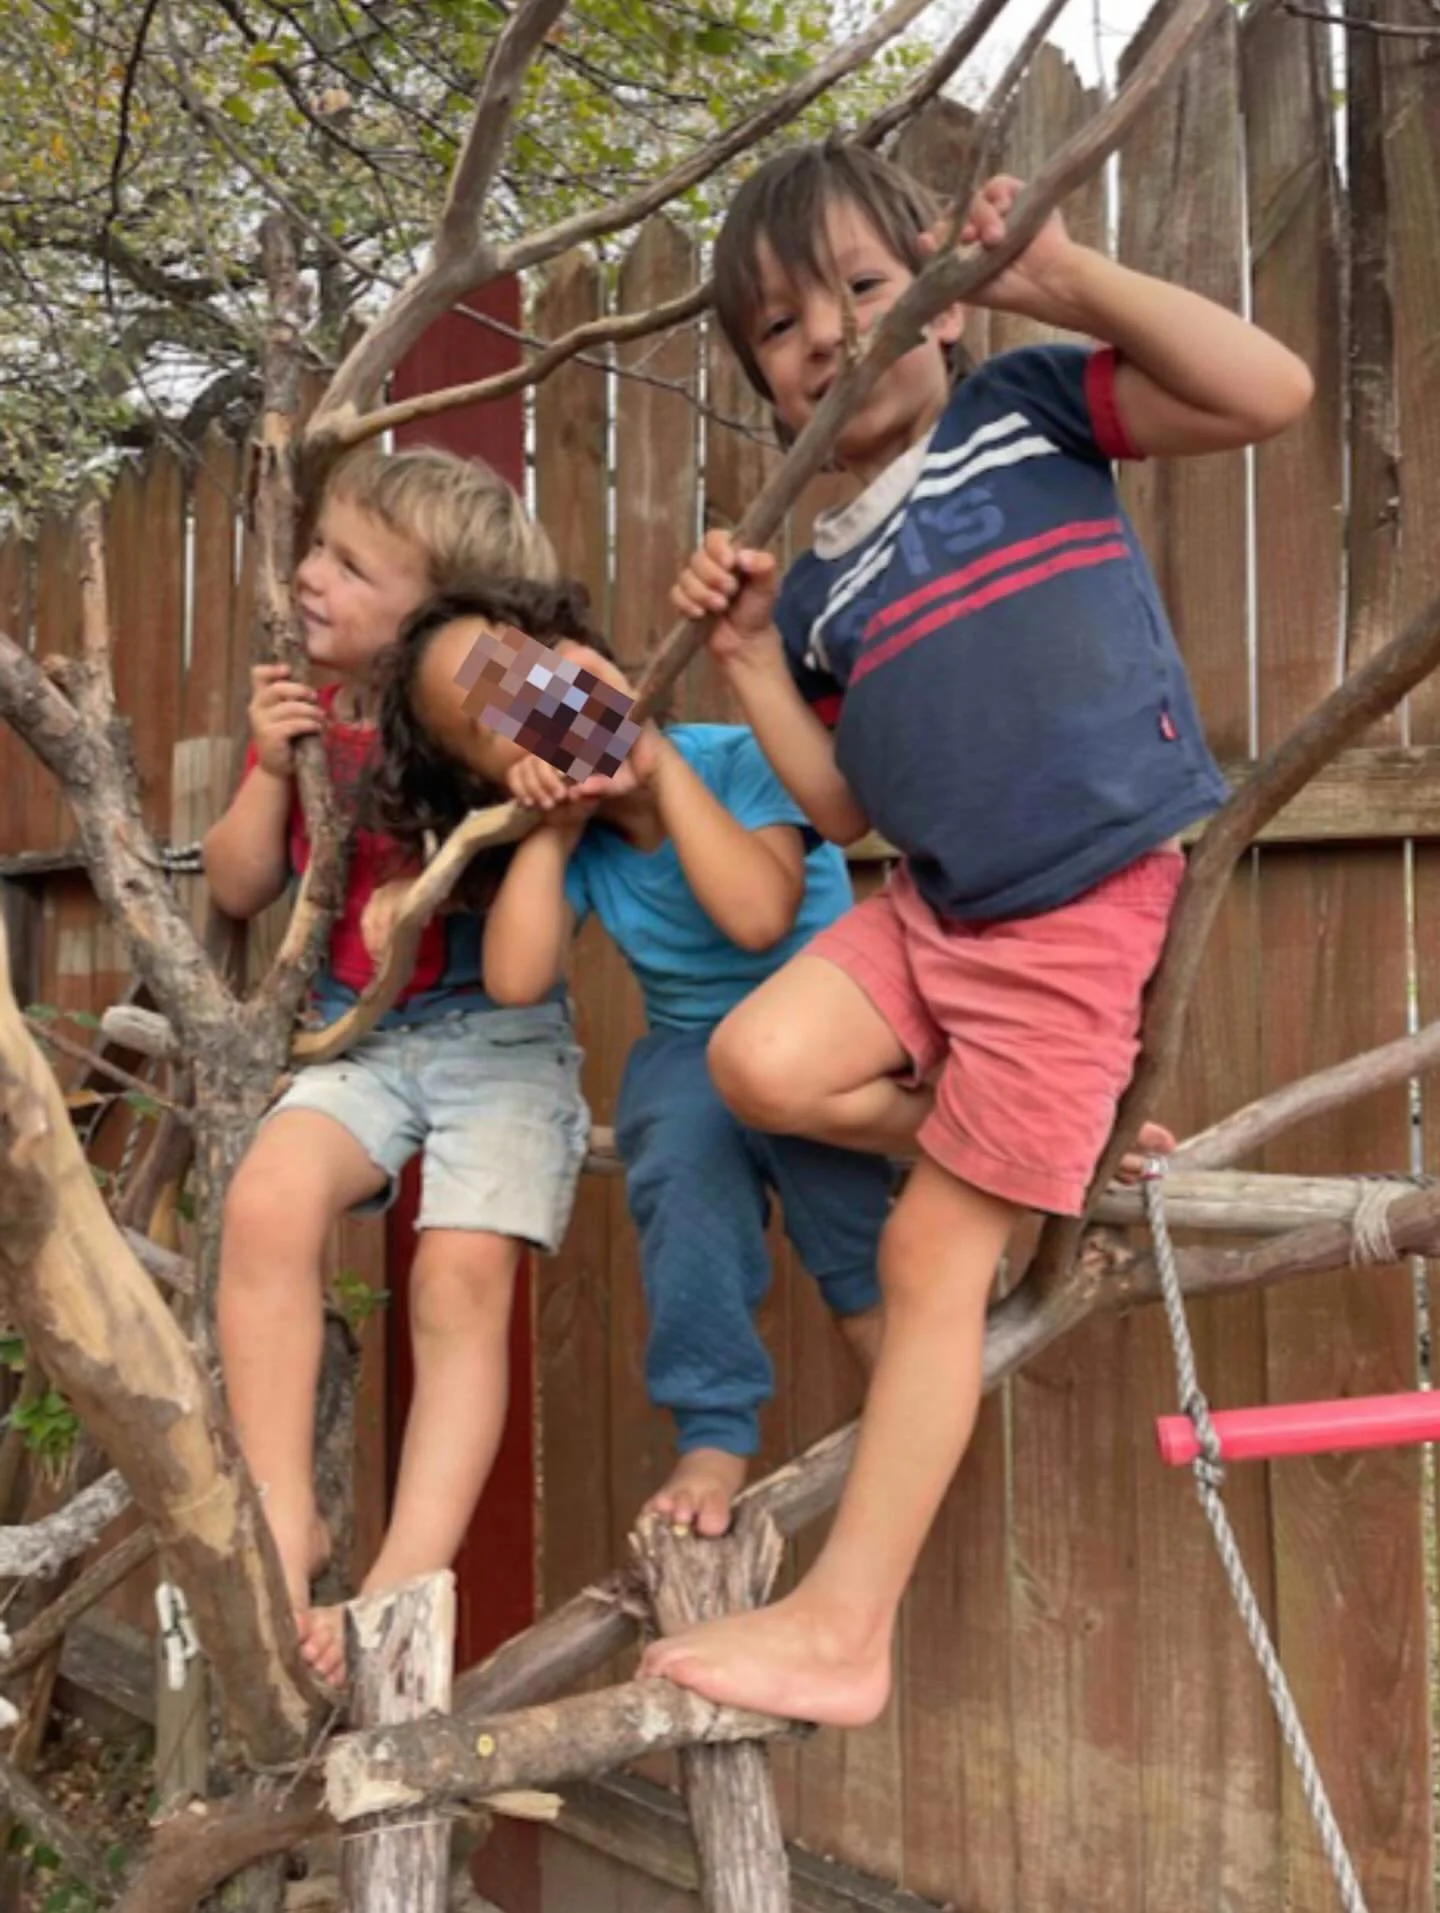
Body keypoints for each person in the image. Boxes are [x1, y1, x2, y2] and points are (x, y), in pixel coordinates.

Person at [645, 142, 1314, 1726]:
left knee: (930, 1252)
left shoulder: (1019, 419)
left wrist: (1066, 285)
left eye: (869, 290)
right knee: (753, 1056)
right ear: (757, 371)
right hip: (934, 904)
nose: (833, 336)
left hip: (1076, 909)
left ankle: (847, 1631)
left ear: (941, 303)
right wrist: (746, 658)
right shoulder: (815, 581)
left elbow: (1271, 388)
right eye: (786, 325)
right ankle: (1034, 1136)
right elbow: (847, 808)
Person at [370, 579, 893, 1538]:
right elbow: (519, 979)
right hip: (699, 1056)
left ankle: (905, 1377)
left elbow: (758, 915)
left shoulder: (738, 760)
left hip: (825, 1036)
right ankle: (714, 1428)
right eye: (501, 727)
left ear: (579, 652)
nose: (537, 712)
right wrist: (555, 832)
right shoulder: (576, 847)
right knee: (673, 1138)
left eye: (529, 673)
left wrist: (656, 766)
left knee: (847, 1213)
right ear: (501, 785)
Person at [203, 450, 587, 1686]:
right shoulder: (313, 726)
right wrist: (270, 768)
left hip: (495, 1040)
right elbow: (233, 884)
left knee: (460, 1279)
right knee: (265, 1202)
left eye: (348, 563)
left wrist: (528, 714)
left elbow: (611, 728)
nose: (308, 576)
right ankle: (280, 1510)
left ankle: (407, 1572)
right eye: (316, 547)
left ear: (446, 612)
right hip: (359, 1042)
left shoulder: (479, 694)